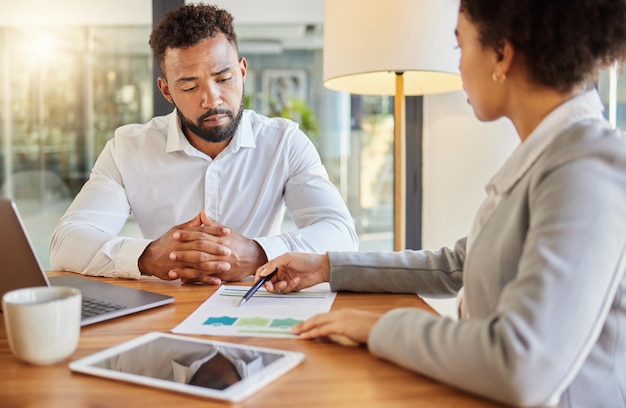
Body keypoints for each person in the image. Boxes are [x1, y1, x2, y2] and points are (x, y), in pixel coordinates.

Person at [254, 1, 626, 406]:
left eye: (460, 47)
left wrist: (379, 327)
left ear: (501, 53)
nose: (459, 68)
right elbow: (457, 264)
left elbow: (522, 362)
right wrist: (326, 266)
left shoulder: (588, 165)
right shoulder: (549, 152)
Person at [49, 3, 358, 284]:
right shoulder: (127, 149)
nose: (212, 99)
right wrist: (148, 256)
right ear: (167, 91)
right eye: (189, 85)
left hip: (260, 307)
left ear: (242, 71)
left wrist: (258, 253)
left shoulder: (284, 143)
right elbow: (66, 242)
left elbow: (341, 234)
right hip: (165, 310)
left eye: (224, 79)